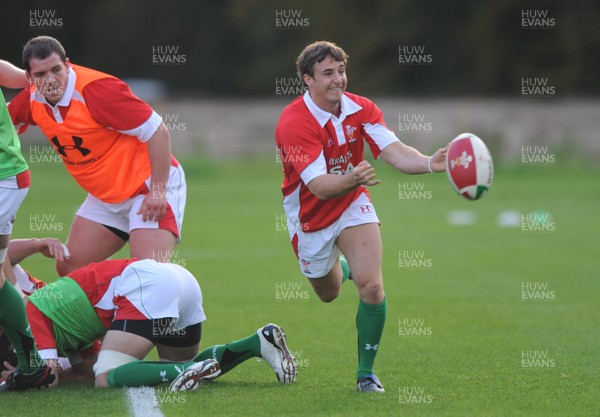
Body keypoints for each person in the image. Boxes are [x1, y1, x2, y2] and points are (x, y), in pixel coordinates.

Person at [274, 41, 448, 393]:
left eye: (341, 71)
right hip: (310, 215)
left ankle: (365, 374)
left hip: (353, 202)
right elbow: (321, 187)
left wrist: (431, 163)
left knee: (372, 286)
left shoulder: (361, 108)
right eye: (328, 73)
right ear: (307, 80)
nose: (338, 80)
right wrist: (353, 176)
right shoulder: (294, 122)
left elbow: (396, 152)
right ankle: (343, 267)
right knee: (329, 292)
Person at [0, 242, 297, 391]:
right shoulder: (63, 320)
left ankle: (182, 371)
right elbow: (84, 369)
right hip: (178, 282)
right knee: (182, 367)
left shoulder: (33, 312)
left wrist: (13, 382)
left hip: (146, 287)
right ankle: (257, 342)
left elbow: (47, 375)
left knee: (107, 378)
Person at [4, 35, 186, 276]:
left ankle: (171, 311)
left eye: (56, 70)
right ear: (29, 78)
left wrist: (158, 190)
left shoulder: (96, 90)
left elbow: (158, 131)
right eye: (40, 75)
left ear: (67, 64)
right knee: (70, 268)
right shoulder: (32, 97)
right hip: (106, 196)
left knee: (151, 275)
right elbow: (5, 123)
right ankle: (110, 308)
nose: (50, 80)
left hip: (146, 186)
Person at [0, 83, 56, 390]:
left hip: (5, 178)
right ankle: (31, 363)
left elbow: (26, 79)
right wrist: (35, 244)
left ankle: (31, 362)